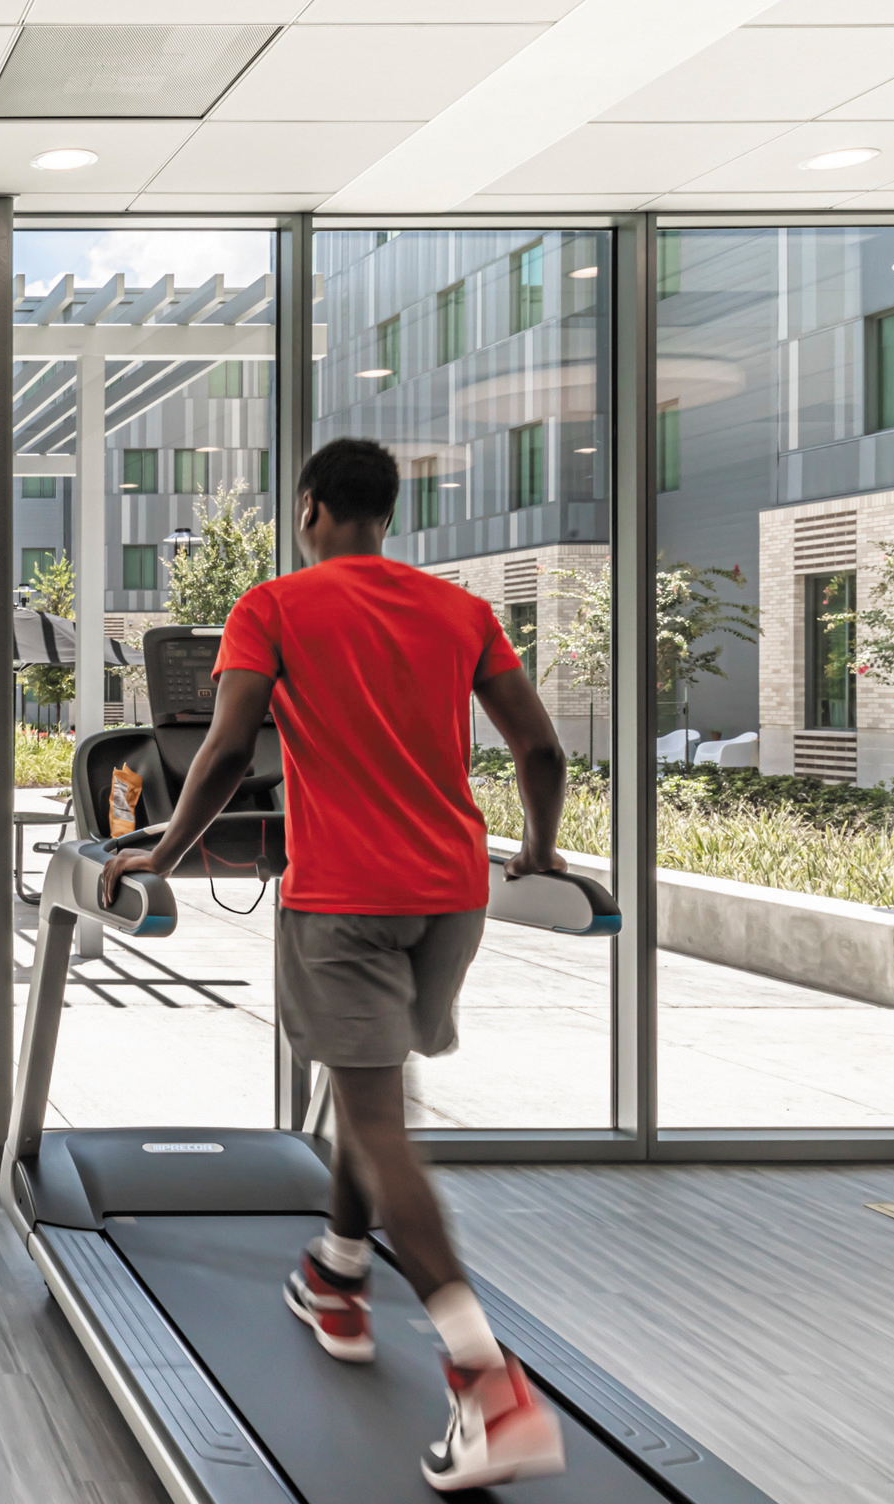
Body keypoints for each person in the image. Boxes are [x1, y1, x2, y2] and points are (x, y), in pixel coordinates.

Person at [101, 438, 571, 1493]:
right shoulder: (457, 610)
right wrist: (537, 852)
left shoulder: (272, 606)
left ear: (312, 507)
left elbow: (223, 751)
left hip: (346, 898)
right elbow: (540, 749)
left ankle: (488, 1384)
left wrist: (160, 850)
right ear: (385, 513)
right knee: (373, 1093)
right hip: (450, 897)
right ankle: (340, 1272)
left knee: (375, 1120)